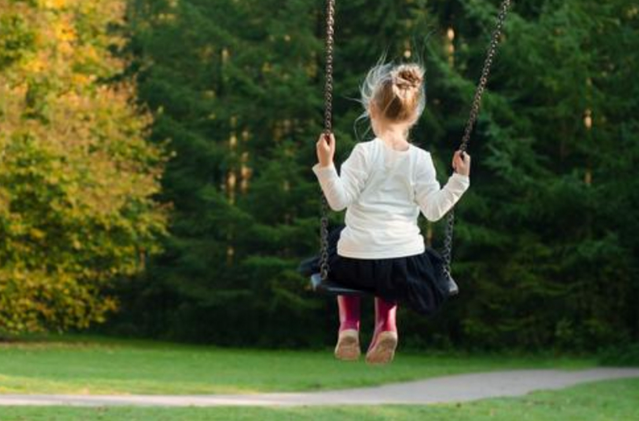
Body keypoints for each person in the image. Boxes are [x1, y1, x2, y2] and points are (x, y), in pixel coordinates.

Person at [312, 62, 471, 365]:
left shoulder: (363, 152)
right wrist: (459, 180)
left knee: (339, 248)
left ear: (372, 108)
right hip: (404, 264)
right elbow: (435, 210)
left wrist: (326, 164)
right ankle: (387, 325)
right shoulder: (421, 160)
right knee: (390, 266)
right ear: (414, 116)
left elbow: (338, 201)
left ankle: (348, 326)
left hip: (355, 260)